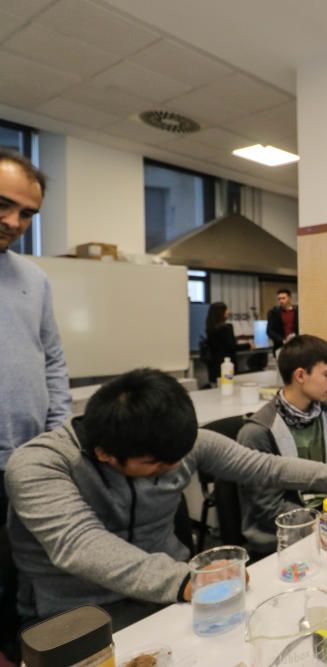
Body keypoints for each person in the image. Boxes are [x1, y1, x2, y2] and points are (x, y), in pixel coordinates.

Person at [4, 368, 327, 631]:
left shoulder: (179, 446)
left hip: (176, 596)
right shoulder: (40, 465)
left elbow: (261, 466)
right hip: (78, 616)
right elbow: (79, 543)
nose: (173, 471)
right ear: (105, 455)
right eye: (156, 466)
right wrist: (183, 578)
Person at [0, 148, 71, 664]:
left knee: (23, 580)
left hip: (28, 461)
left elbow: (53, 363)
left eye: (27, 213)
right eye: (4, 205)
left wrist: (55, 438)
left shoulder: (33, 280)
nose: (14, 221)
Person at [237, 335, 327, 554]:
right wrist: (325, 524)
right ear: (300, 375)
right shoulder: (257, 432)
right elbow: (268, 509)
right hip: (283, 541)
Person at [203, 301, 237, 385]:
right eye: (226, 310)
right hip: (227, 367)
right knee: (229, 387)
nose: (228, 312)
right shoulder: (227, 328)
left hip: (214, 368)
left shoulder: (209, 329)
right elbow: (232, 346)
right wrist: (248, 345)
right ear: (221, 313)